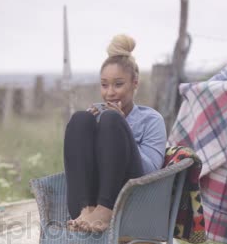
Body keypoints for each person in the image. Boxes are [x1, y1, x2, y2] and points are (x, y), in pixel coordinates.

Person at [65, 34, 167, 233]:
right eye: (104, 85)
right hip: (87, 203)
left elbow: (152, 172)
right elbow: (78, 170)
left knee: (112, 121)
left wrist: (123, 127)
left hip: (131, 201)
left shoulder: (152, 120)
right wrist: (89, 136)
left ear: (134, 83)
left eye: (118, 84)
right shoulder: (94, 115)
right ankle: (87, 210)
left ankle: (105, 210)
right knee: (80, 120)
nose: (110, 92)